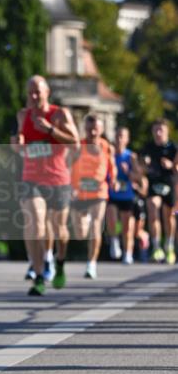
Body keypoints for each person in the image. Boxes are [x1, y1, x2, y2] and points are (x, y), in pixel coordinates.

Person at [11, 75, 79, 296]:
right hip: (31, 177)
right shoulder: (23, 115)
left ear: (47, 92)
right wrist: (17, 145)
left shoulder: (60, 114)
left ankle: (59, 262)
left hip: (58, 179)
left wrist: (50, 130)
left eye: (37, 92)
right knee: (35, 225)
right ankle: (39, 275)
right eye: (30, 92)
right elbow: (20, 147)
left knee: (59, 230)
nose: (33, 96)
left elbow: (76, 143)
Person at [69, 115, 116, 279]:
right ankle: (85, 219)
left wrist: (114, 180)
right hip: (79, 193)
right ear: (85, 129)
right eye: (89, 129)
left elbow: (111, 167)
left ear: (102, 130)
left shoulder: (106, 147)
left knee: (96, 226)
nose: (93, 132)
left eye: (96, 128)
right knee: (80, 232)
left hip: (99, 192)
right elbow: (68, 166)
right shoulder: (77, 147)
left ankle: (91, 264)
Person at [141, 119, 178, 264]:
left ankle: (169, 247)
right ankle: (156, 247)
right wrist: (144, 164)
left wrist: (172, 166)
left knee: (169, 217)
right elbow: (140, 166)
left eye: (161, 130)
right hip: (154, 184)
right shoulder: (148, 147)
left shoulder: (173, 148)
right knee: (152, 208)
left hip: (169, 184)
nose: (158, 133)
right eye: (155, 130)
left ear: (167, 131)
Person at [106, 126, 144, 265]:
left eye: (122, 136)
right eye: (117, 136)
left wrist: (128, 172)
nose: (119, 139)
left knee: (127, 227)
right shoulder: (109, 153)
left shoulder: (131, 156)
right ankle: (114, 240)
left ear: (127, 139)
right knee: (111, 217)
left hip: (127, 196)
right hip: (112, 194)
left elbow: (139, 178)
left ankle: (127, 254)